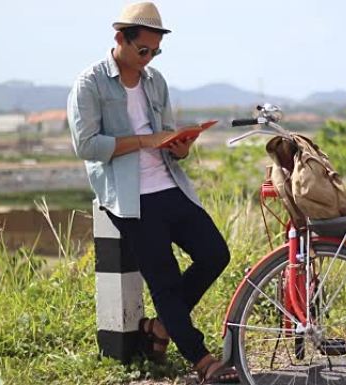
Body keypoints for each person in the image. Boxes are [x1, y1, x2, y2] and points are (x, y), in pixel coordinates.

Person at [67, 2, 238, 383]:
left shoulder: (155, 81)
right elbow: (87, 145)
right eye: (142, 50)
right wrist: (145, 140)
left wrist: (180, 146)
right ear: (119, 39)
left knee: (215, 253)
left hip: (168, 184)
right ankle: (202, 360)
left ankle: (160, 328)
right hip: (129, 198)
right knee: (164, 278)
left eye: (154, 52)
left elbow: (166, 131)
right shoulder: (90, 83)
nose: (147, 58)